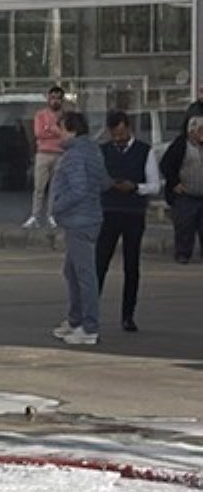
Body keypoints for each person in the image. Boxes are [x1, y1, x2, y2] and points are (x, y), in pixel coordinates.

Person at [96, 111, 159, 333]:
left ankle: (128, 315)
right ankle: (90, 312)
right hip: (109, 211)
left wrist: (136, 187)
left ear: (128, 128)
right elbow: (95, 180)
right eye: (114, 135)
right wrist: (109, 184)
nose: (118, 139)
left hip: (133, 211)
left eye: (121, 134)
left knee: (131, 265)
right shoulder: (102, 151)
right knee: (99, 263)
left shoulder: (144, 151)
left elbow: (155, 185)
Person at [49, 111, 107, 346]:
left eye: (61, 129)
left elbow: (78, 189)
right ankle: (75, 320)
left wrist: (56, 207)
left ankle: (89, 327)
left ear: (72, 130)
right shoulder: (93, 150)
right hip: (89, 217)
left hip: (79, 220)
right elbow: (103, 182)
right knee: (72, 272)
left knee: (84, 274)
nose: (58, 134)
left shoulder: (73, 155)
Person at [159, 115, 203, 264]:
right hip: (186, 195)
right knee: (185, 226)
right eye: (200, 130)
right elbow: (166, 165)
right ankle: (183, 254)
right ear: (191, 131)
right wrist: (174, 183)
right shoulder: (180, 145)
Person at [25, 85, 66, 229]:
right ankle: (35, 216)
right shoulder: (40, 115)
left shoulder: (65, 116)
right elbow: (38, 133)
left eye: (58, 99)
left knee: (55, 188)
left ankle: (51, 215)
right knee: (39, 187)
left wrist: (49, 128)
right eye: (52, 98)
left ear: (62, 100)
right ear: (48, 99)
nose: (55, 101)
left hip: (60, 154)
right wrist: (56, 131)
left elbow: (65, 135)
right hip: (43, 154)